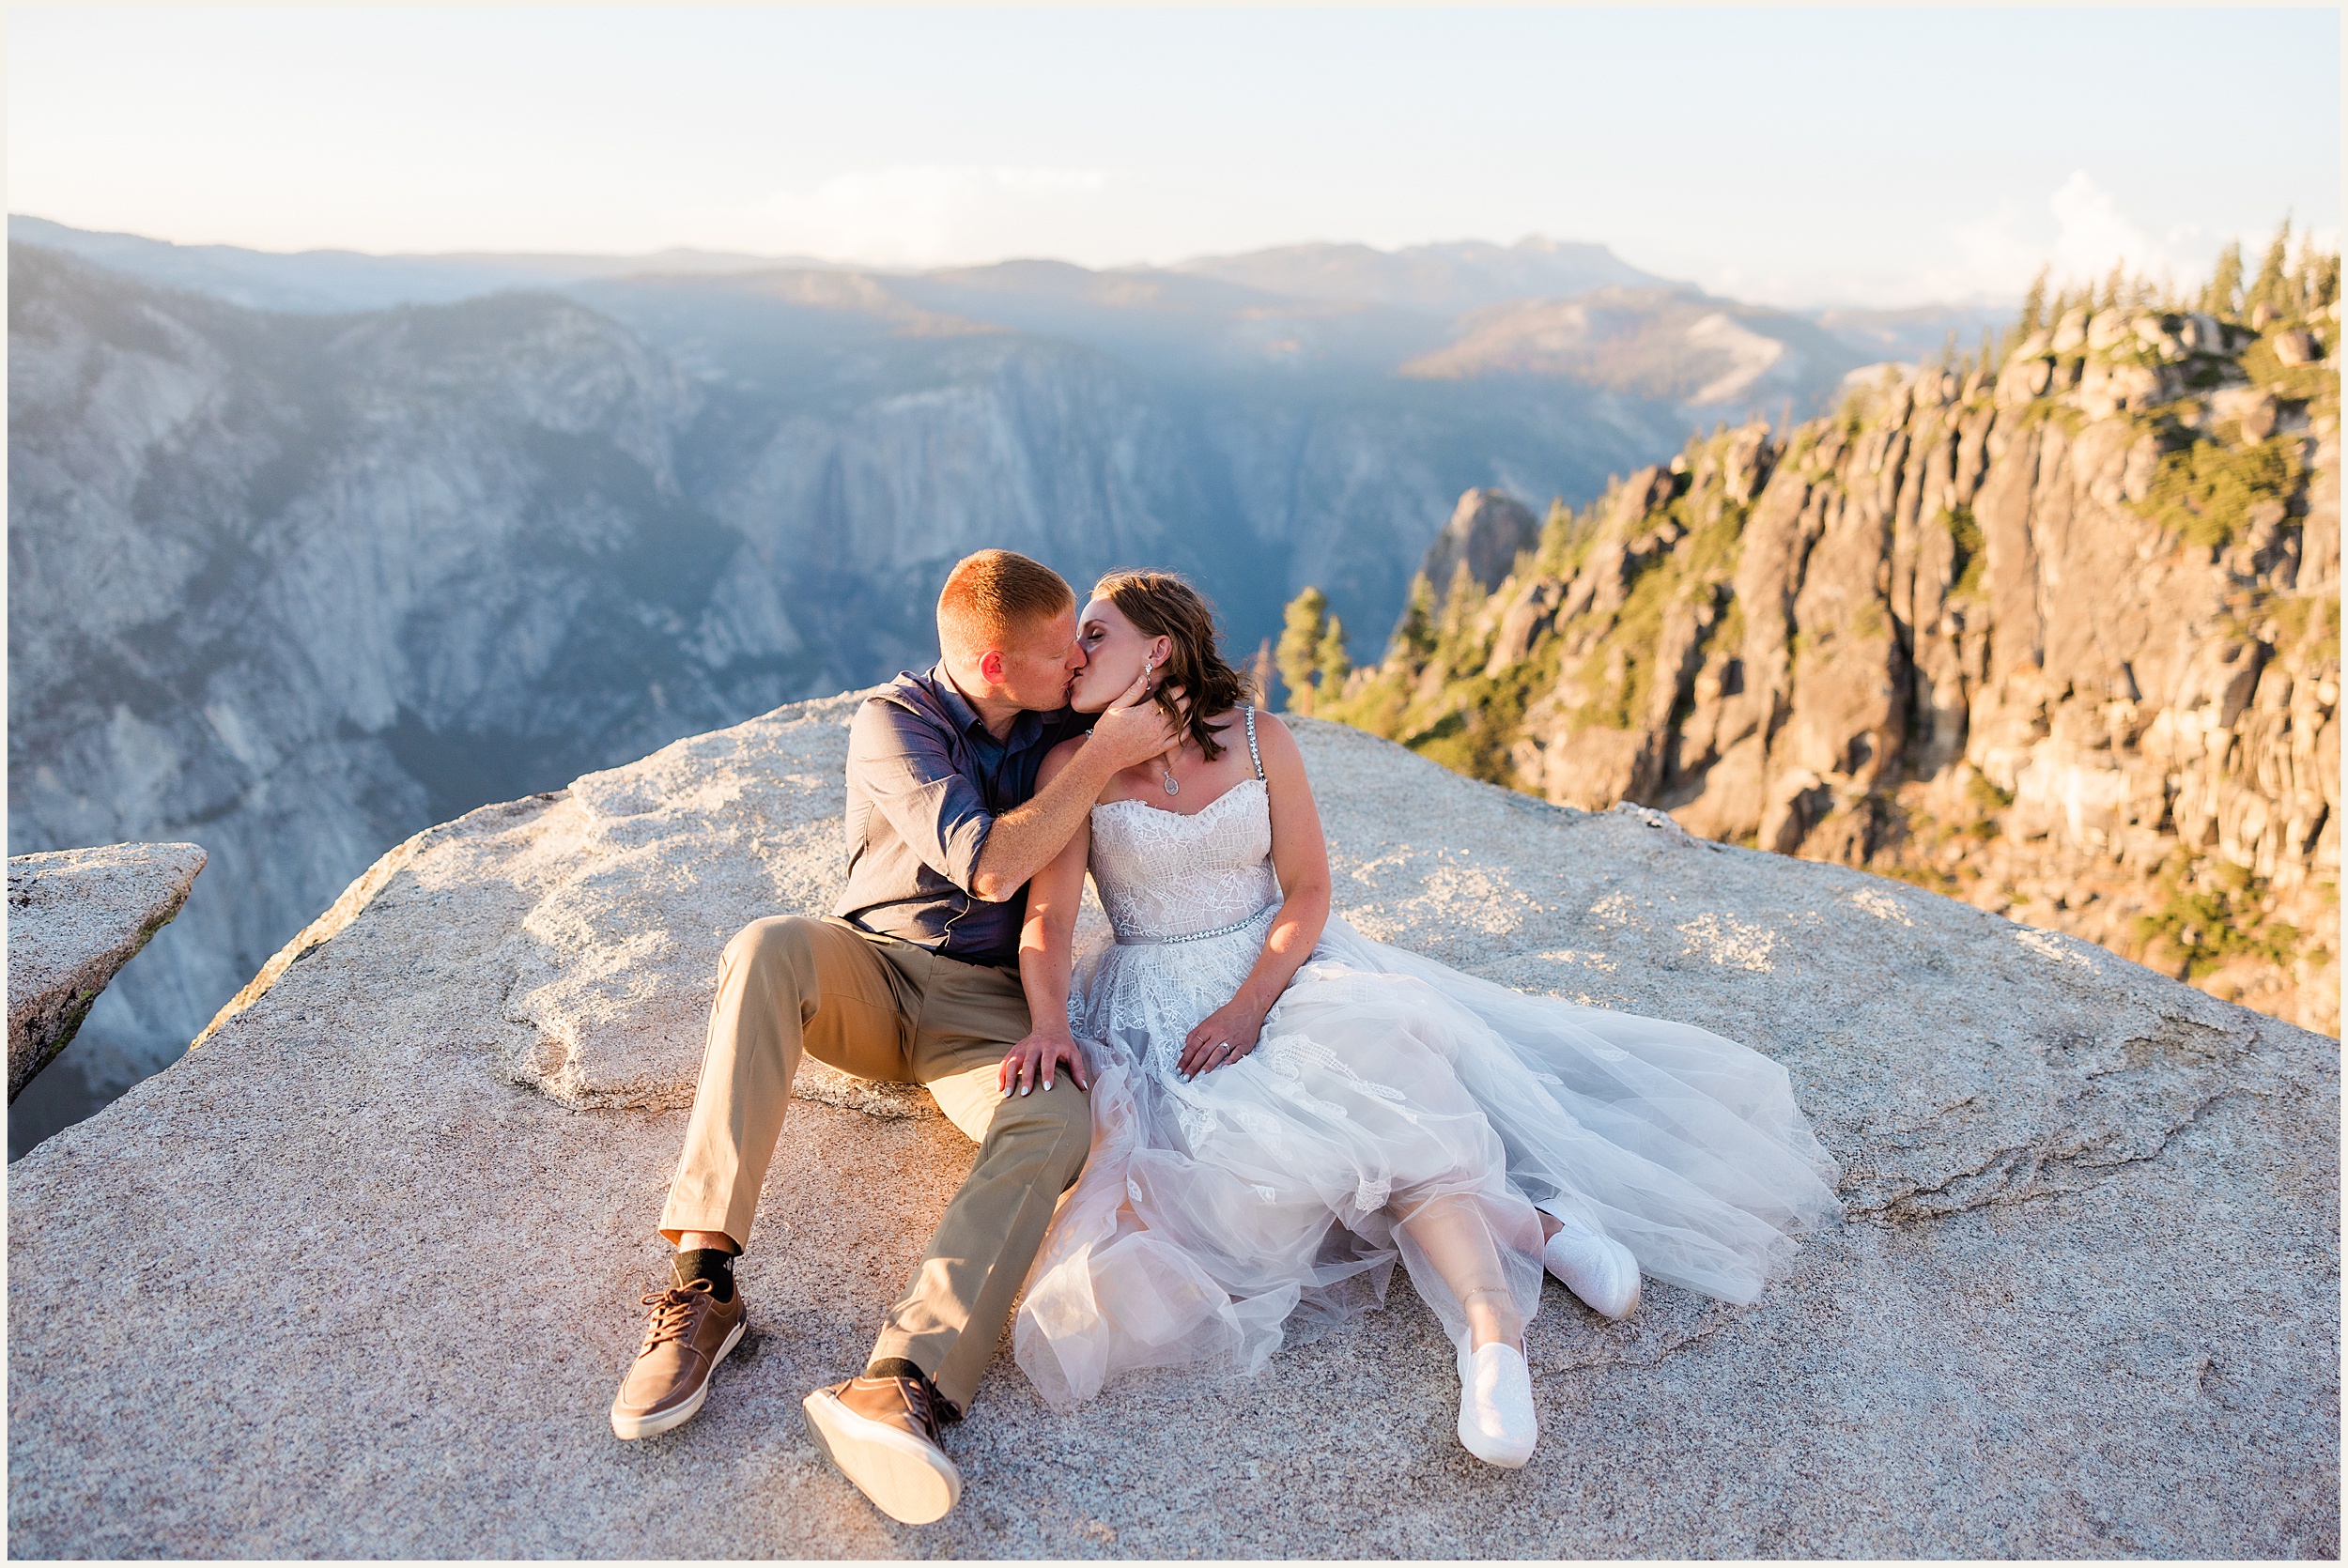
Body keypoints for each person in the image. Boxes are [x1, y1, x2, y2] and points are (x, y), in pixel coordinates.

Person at [1002, 570, 1843, 1467]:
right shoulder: (1072, 767)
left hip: (1281, 970)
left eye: (1095, 635)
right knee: (1254, 1194)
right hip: (1153, 1000)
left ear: (1158, 649)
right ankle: (1536, 1226)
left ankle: (1494, 1341)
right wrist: (1049, 1022)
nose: (1075, 655)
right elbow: (1049, 922)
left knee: (1378, 1098)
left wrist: (1251, 1006)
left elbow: (1310, 889)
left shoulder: (1259, 738)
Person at [608, 549, 1186, 1526]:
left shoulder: (1056, 719)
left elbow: (1149, 688)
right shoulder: (894, 723)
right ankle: (704, 1285)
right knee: (764, 946)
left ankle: (903, 1378)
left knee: (1058, 1117)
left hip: (987, 1011)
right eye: (1060, 653)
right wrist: (1098, 754)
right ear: (996, 666)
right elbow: (993, 868)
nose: (1077, 668)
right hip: (869, 975)